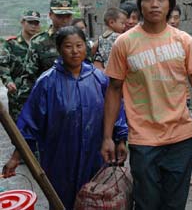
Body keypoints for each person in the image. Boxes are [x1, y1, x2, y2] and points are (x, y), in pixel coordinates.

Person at [101, 0, 192, 210]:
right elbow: (114, 90)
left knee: (174, 204)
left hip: (179, 137)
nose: (155, 4)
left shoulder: (183, 41)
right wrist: (108, 136)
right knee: (147, 203)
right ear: (140, 4)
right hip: (143, 140)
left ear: (170, 4)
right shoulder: (125, 43)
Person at [2, 26, 128, 210]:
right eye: (68, 46)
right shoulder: (47, 82)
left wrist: (121, 139)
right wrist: (15, 158)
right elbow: (30, 125)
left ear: (86, 46)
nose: (75, 51)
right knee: (62, 201)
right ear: (59, 49)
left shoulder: (99, 79)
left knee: (95, 200)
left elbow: (116, 111)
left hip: (96, 154)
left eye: (79, 45)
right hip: (59, 158)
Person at [18, 0, 75, 102]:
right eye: (59, 15)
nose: (64, 19)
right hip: (48, 100)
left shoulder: (80, 40)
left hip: (76, 99)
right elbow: (29, 77)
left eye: (68, 15)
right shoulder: (38, 42)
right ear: (50, 15)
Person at [168, 4, 192, 186]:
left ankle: (185, 175)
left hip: (183, 98)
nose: (173, 21)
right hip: (162, 101)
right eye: (171, 17)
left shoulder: (184, 41)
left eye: (177, 17)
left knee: (184, 137)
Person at [0, 10, 41, 121]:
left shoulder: (42, 44)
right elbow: (3, 65)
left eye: (36, 23)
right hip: (18, 94)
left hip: (40, 93)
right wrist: (8, 81)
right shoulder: (11, 44)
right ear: (22, 22)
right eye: (30, 22)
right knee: (19, 131)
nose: (33, 26)